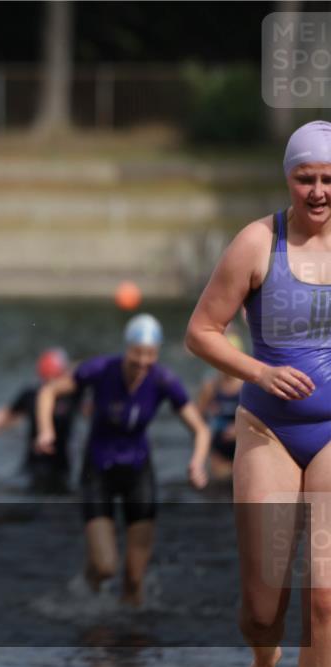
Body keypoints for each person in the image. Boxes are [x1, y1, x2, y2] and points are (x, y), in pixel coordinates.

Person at [186, 120, 331, 667]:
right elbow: (200, 332)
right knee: (263, 607)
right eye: (305, 178)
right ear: (288, 179)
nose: (318, 191)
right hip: (268, 430)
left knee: (325, 601)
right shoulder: (257, 242)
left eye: (328, 178)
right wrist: (259, 373)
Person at [35, 314, 210, 606]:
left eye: (150, 355)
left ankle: (129, 644)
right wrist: (45, 430)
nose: (142, 362)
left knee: (133, 580)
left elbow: (200, 429)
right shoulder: (101, 369)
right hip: (98, 472)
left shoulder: (163, 380)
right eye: (136, 354)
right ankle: (84, 592)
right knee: (106, 567)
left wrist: (197, 462)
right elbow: (48, 391)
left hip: (138, 473)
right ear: (126, 348)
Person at [0, 347, 81, 494]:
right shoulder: (31, 394)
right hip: (33, 464)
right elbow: (8, 413)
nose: (49, 382)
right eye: (47, 377)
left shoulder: (72, 396)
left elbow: (88, 398)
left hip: (60, 466)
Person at [196, 331, 246, 483]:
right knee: (219, 492)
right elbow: (197, 421)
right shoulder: (210, 387)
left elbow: (264, 421)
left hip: (244, 448)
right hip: (219, 452)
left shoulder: (248, 386)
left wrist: (239, 430)